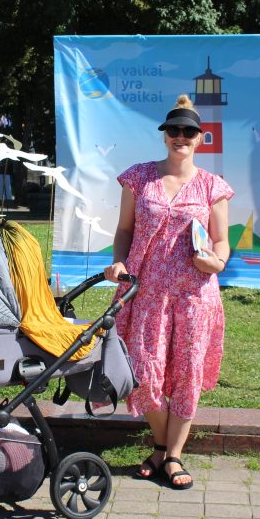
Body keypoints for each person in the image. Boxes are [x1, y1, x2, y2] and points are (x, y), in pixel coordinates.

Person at [104, 94, 233, 490]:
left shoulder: (212, 186)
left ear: (200, 138)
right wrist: (121, 262)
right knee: (143, 374)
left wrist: (217, 262)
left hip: (195, 297)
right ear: (164, 136)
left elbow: (221, 241)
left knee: (187, 375)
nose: (181, 137)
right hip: (146, 294)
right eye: (174, 130)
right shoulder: (139, 178)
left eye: (189, 131)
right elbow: (124, 230)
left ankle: (171, 455)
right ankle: (160, 444)